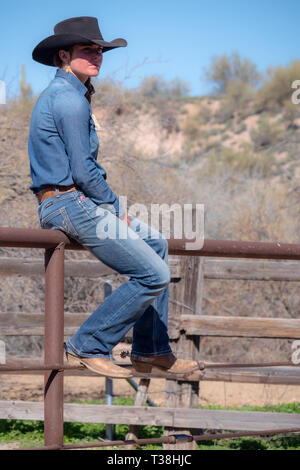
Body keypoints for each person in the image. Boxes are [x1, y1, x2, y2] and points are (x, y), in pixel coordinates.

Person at [28, 16, 199, 378]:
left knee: (157, 246)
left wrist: (109, 206)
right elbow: (83, 171)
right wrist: (114, 208)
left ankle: (151, 349)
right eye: (87, 50)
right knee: (153, 275)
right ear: (64, 55)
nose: (97, 56)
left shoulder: (73, 94)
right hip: (68, 204)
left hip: (76, 202)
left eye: (100, 50)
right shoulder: (67, 100)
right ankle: (88, 344)